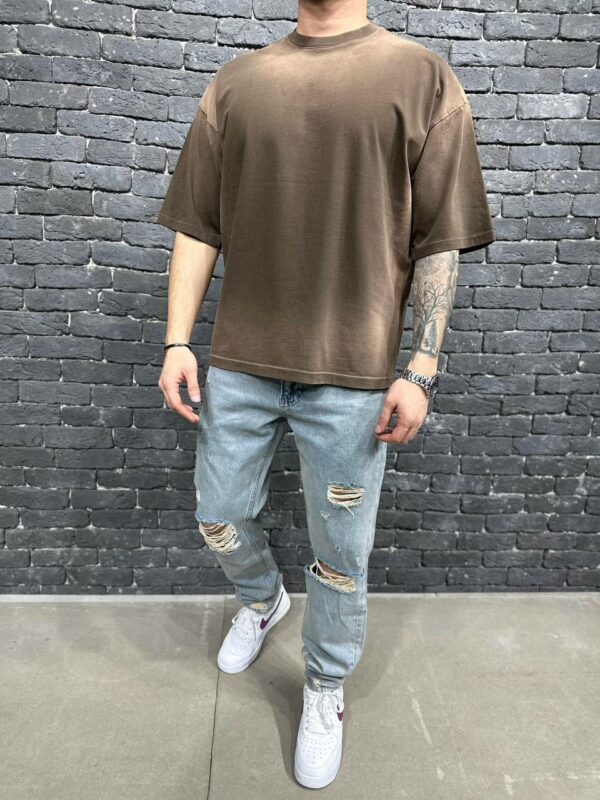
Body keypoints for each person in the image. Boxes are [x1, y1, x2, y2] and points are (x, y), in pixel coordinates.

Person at [157, 0, 495, 789]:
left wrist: (421, 366)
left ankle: (323, 685)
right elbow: (199, 225)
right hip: (241, 362)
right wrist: (176, 340)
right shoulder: (237, 83)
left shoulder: (421, 78)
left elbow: (439, 240)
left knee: (340, 555)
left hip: (355, 374)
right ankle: (263, 600)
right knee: (218, 513)